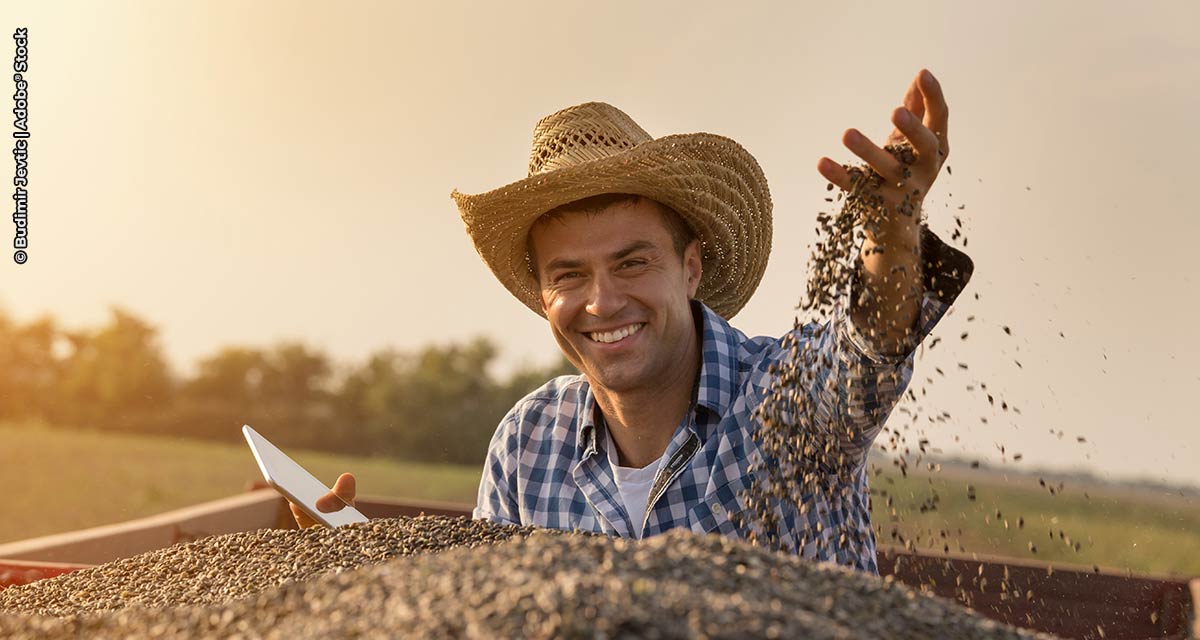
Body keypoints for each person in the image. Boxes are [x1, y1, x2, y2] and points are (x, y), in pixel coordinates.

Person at [292, 69, 972, 574]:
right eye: (568, 276)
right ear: (542, 295)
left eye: (632, 262)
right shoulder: (528, 445)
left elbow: (865, 358)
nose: (602, 302)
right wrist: (361, 573)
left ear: (692, 269)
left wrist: (892, 230)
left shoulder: (786, 400)